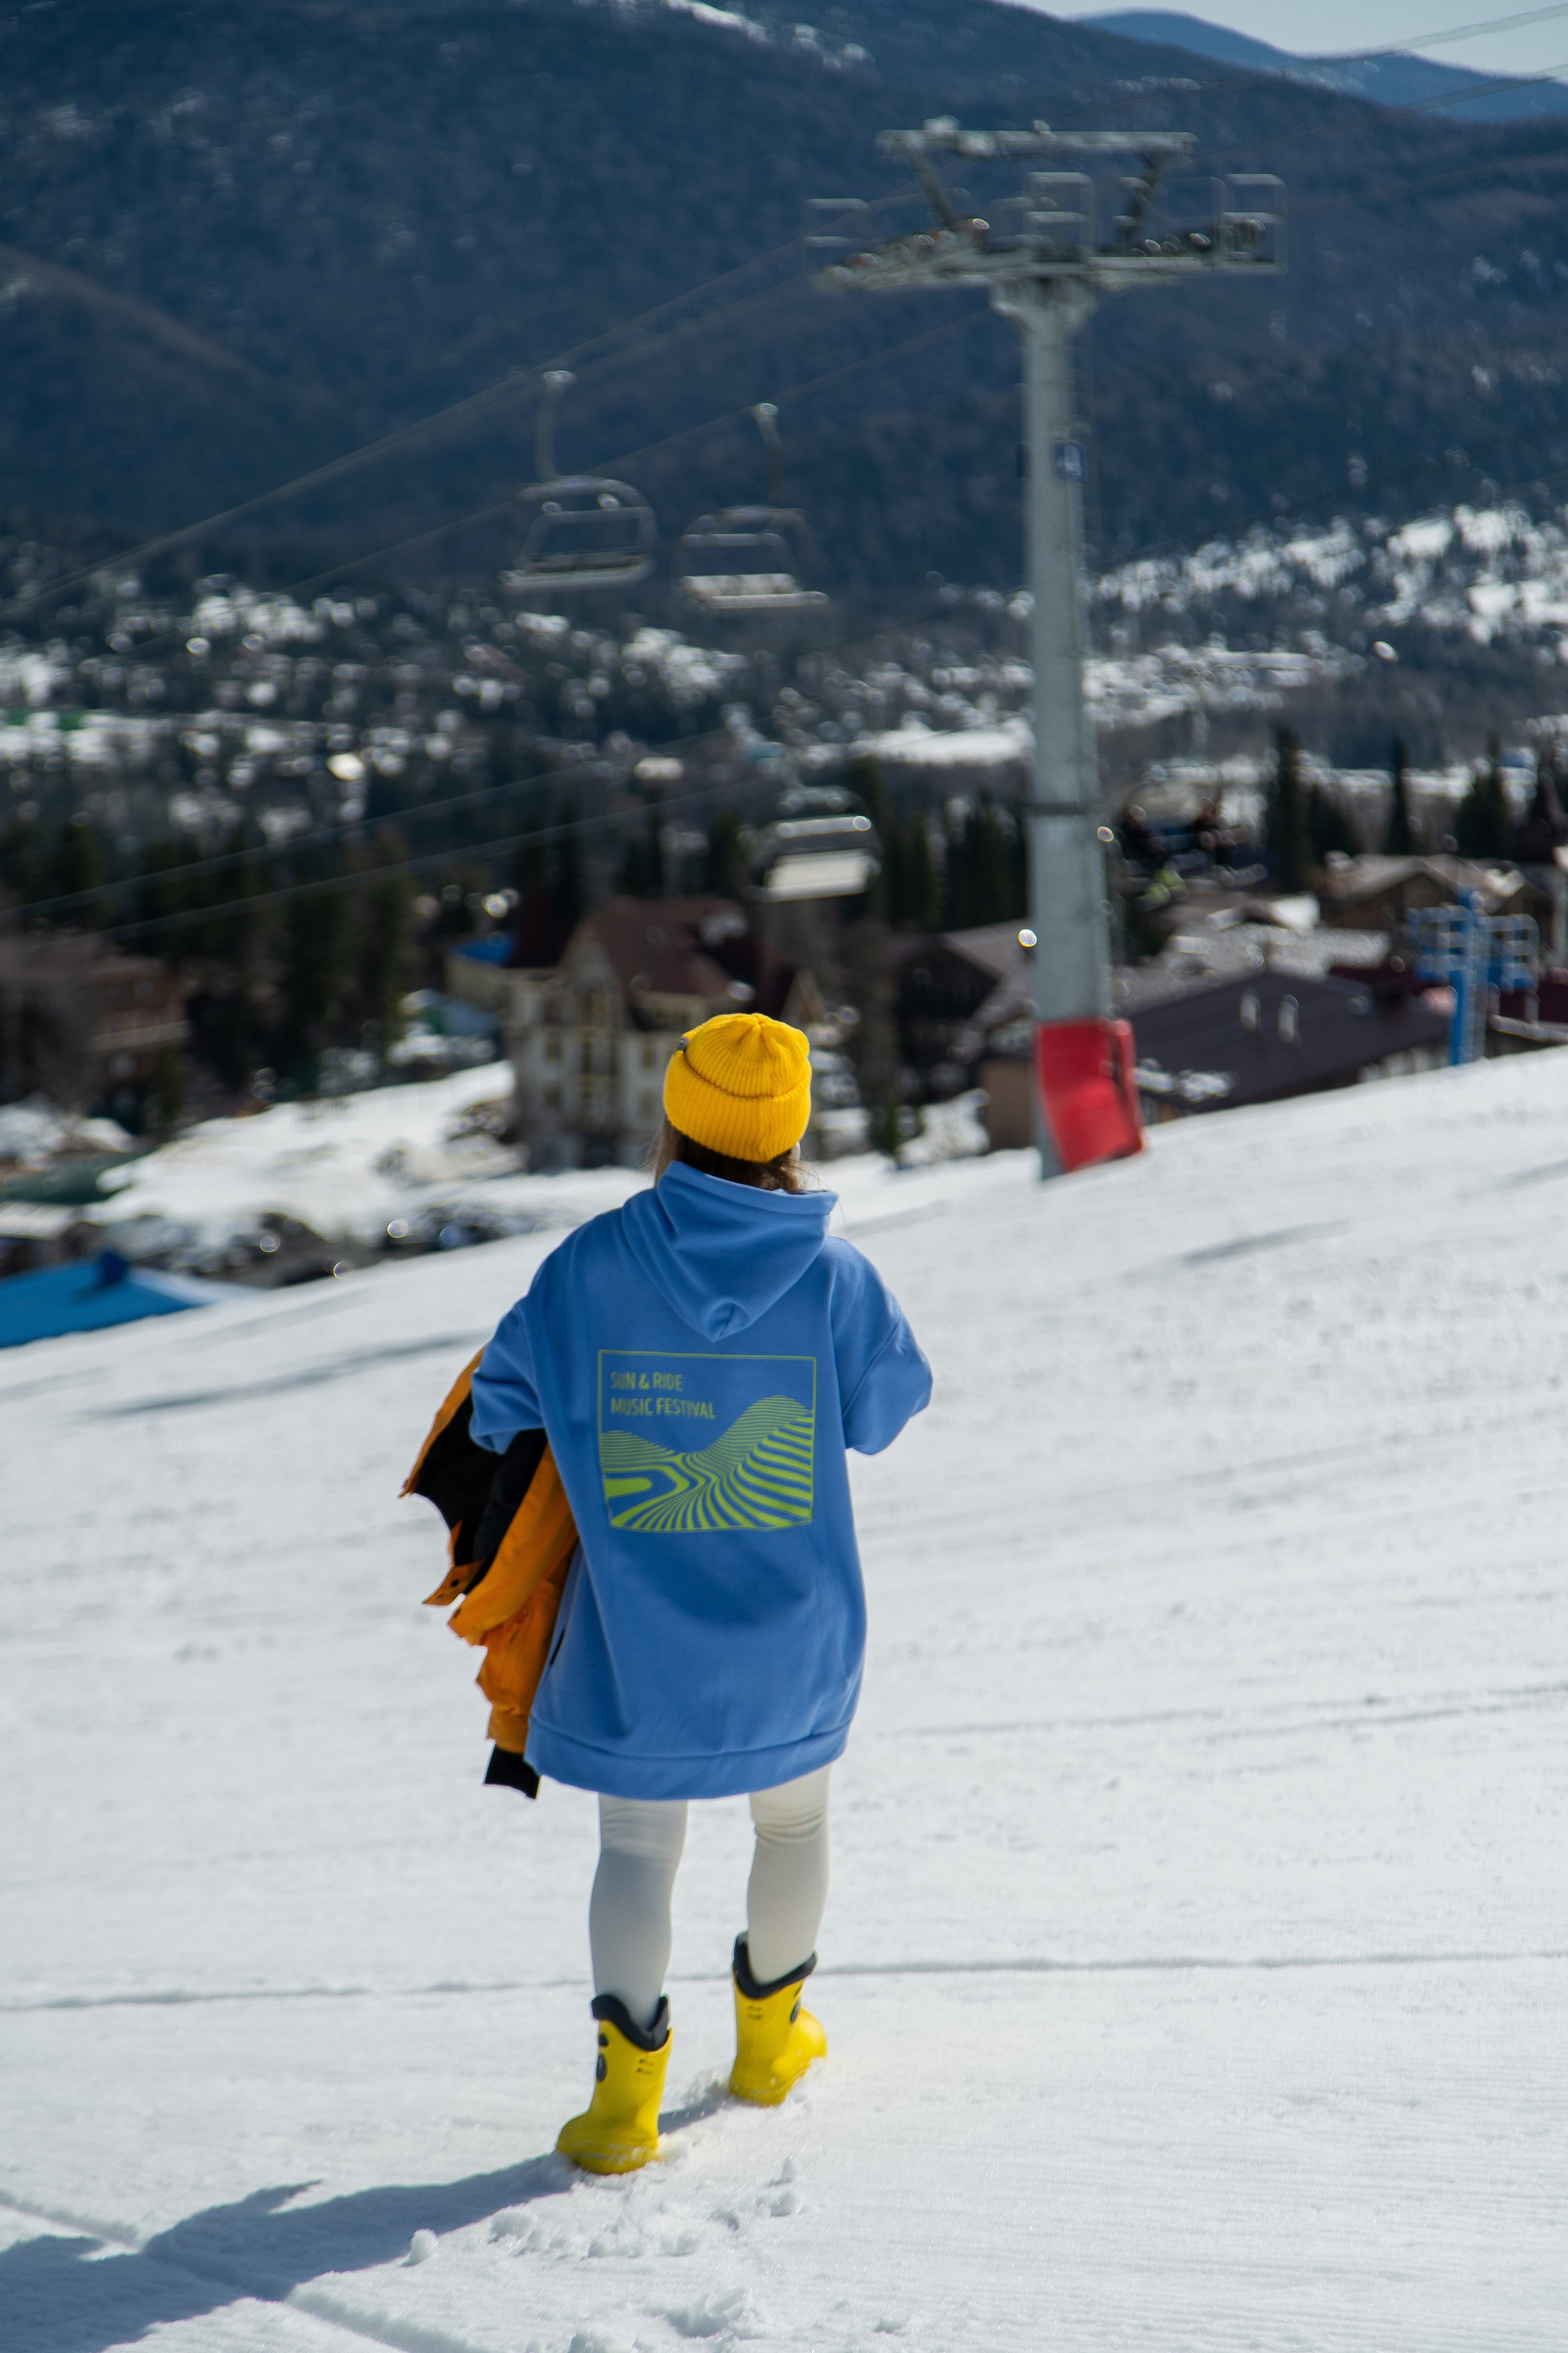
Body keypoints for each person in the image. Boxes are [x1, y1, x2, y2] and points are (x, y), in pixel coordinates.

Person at [469, 1010, 931, 2173]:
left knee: (635, 1848)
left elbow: (497, 1409)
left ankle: (625, 2104)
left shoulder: (585, 1265)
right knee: (798, 1822)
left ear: (676, 1114)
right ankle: (771, 2045)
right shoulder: (834, 1274)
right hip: (798, 1632)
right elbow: (887, 1411)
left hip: (636, 1640)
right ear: (791, 1133)